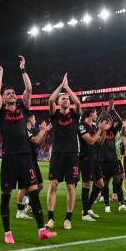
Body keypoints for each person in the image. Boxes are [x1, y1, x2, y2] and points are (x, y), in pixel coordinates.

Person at [0, 56, 56, 244]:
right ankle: (7, 233)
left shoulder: (22, 108)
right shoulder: (0, 111)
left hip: (25, 157)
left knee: (33, 192)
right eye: (8, 93)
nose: (11, 94)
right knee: (6, 196)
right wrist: (1, 72)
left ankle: (42, 230)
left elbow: (29, 89)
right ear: (4, 99)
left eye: (13, 92)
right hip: (9, 157)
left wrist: (23, 69)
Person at [46, 74, 82, 230]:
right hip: (58, 154)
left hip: (72, 154)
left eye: (67, 98)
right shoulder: (55, 115)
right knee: (53, 184)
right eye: (63, 98)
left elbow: (78, 102)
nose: (66, 99)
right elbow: (49, 101)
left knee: (70, 186)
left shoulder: (74, 115)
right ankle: (51, 218)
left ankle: (68, 219)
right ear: (58, 102)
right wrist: (61, 86)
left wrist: (67, 88)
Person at [16, 114, 51, 220]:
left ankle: (29, 205)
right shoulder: (24, 130)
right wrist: (42, 130)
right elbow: (35, 140)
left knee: (39, 185)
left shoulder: (31, 131)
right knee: (25, 187)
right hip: (25, 161)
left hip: (33, 162)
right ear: (30, 120)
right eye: (34, 119)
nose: (35, 121)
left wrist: (44, 131)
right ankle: (20, 211)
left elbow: (40, 142)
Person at [99, 100, 126, 212]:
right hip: (103, 161)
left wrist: (113, 110)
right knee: (105, 184)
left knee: (117, 182)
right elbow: (100, 121)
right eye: (106, 121)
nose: (109, 123)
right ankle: (107, 205)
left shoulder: (112, 131)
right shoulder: (99, 131)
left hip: (114, 161)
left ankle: (121, 203)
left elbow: (121, 122)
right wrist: (105, 112)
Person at [79, 108, 110, 221]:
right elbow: (91, 141)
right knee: (87, 184)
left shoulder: (92, 127)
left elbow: (100, 142)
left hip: (94, 158)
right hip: (86, 158)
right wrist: (99, 130)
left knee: (101, 184)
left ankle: (88, 208)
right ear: (91, 114)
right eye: (96, 113)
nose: (97, 115)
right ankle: (85, 214)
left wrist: (104, 131)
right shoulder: (82, 126)